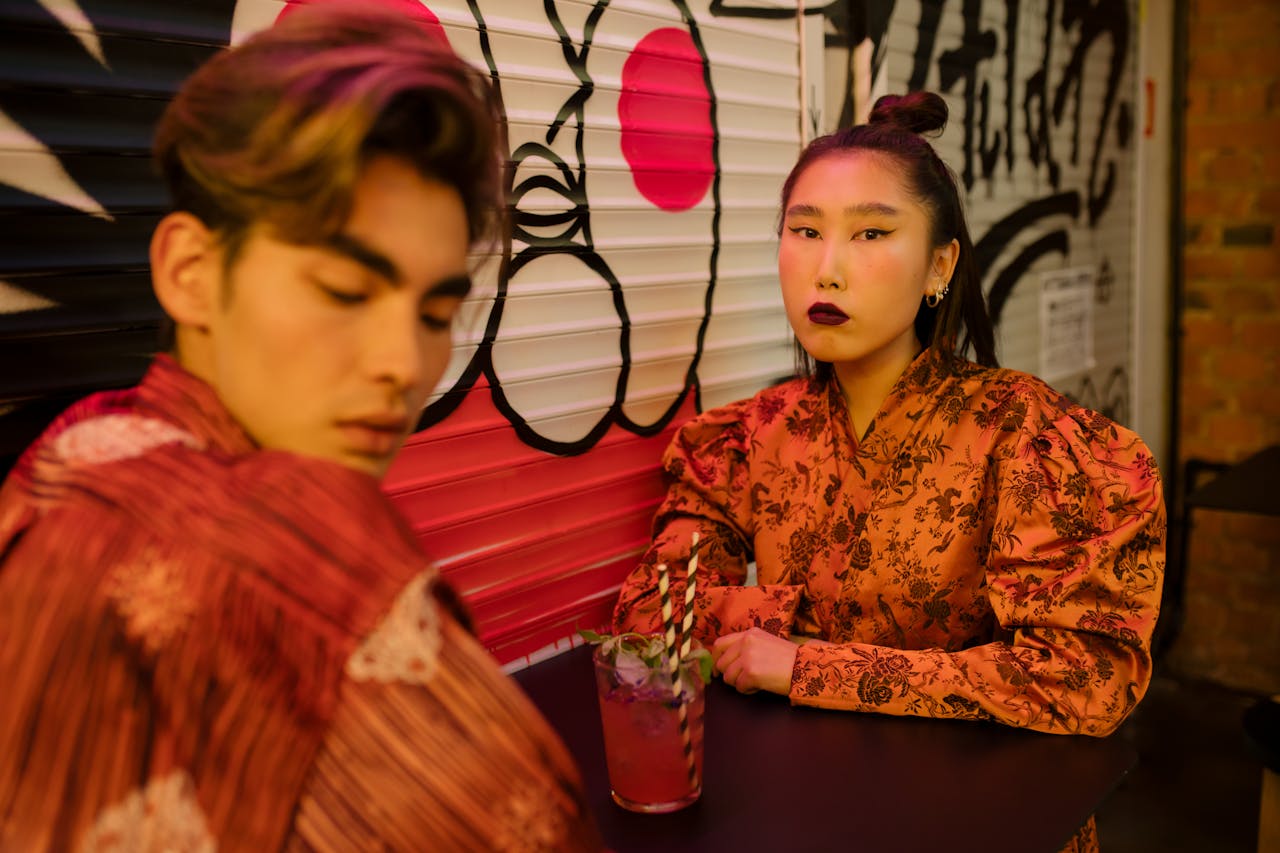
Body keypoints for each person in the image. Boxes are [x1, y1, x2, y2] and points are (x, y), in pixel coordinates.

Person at [0, 4, 601, 850]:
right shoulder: (288, 555)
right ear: (190, 271)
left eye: (434, 311)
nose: (402, 362)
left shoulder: (78, 451)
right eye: (344, 292)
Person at [613, 90, 1164, 852]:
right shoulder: (751, 435)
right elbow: (649, 621)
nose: (827, 269)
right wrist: (767, 629)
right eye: (804, 230)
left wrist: (805, 662)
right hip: (804, 811)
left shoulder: (1023, 436)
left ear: (940, 264)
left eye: (871, 232)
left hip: (982, 818)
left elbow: (1083, 677)